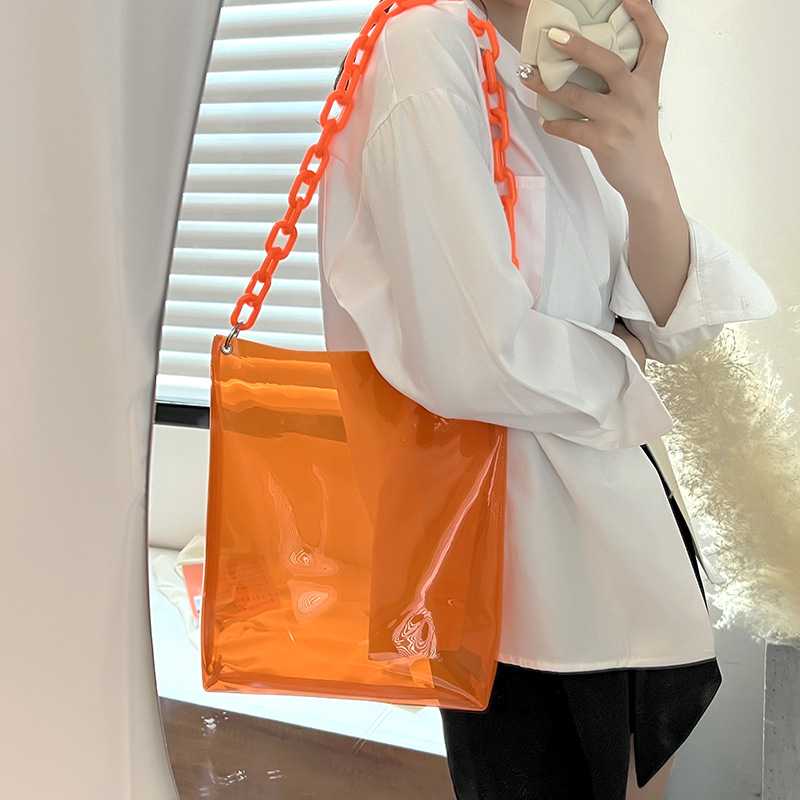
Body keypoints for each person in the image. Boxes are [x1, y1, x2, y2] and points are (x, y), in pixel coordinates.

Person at [317, 0, 778, 798]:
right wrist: (625, 360)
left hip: (630, 542)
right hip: (521, 576)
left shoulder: (553, 68)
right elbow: (471, 356)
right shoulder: (425, 48)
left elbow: (669, 321)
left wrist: (644, 166)